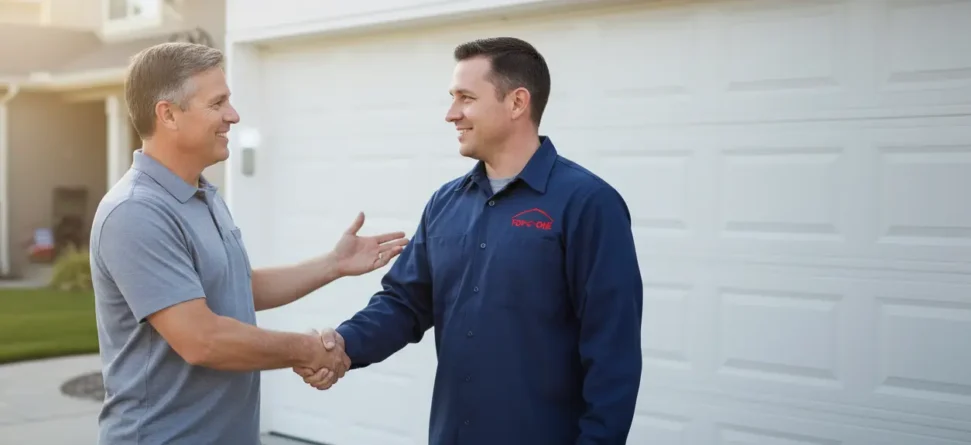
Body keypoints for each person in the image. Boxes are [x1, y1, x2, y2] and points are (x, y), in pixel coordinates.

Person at [296, 37, 644, 444]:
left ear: (517, 103)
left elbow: (612, 351)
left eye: (465, 98)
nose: (450, 114)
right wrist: (342, 344)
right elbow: (404, 303)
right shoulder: (445, 203)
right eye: (452, 98)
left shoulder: (588, 204)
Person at [89, 42, 409, 445]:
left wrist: (333, 264)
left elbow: (239, 286)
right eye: (217, 103)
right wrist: (307, 349)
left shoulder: (202, 195)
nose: (233, 116)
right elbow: (202, 339)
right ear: (167, 114)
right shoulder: (136, 212)